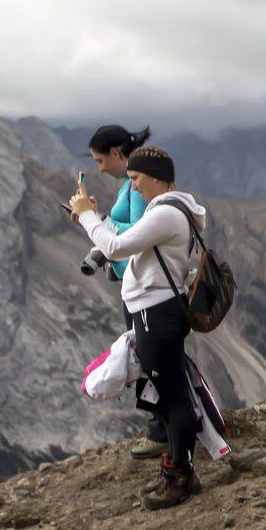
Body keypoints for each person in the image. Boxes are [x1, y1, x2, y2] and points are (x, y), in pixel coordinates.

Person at [69, 145, 207, 510]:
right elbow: (126, 243)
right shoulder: (172, 209)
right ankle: (177, 470)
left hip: (156, 315)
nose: (134, 188)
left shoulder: (164, 214)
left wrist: (87, 218)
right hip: (158, 312)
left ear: (156, 177)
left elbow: (115, 247)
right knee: (169, 394)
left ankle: (181, 477)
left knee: (174, 397)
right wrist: (92, 215)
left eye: (136, 179)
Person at [87, 124, 166, 461]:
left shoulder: (133, 188)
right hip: (135, 284)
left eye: (100, 160)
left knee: (144, 356)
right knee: (145, 354)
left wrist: (97, 219)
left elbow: (136, 234)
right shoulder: (129, 185)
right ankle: (161, 423)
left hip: (140, 286)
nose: (99, 167)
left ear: (117, 154)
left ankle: (161, 428)